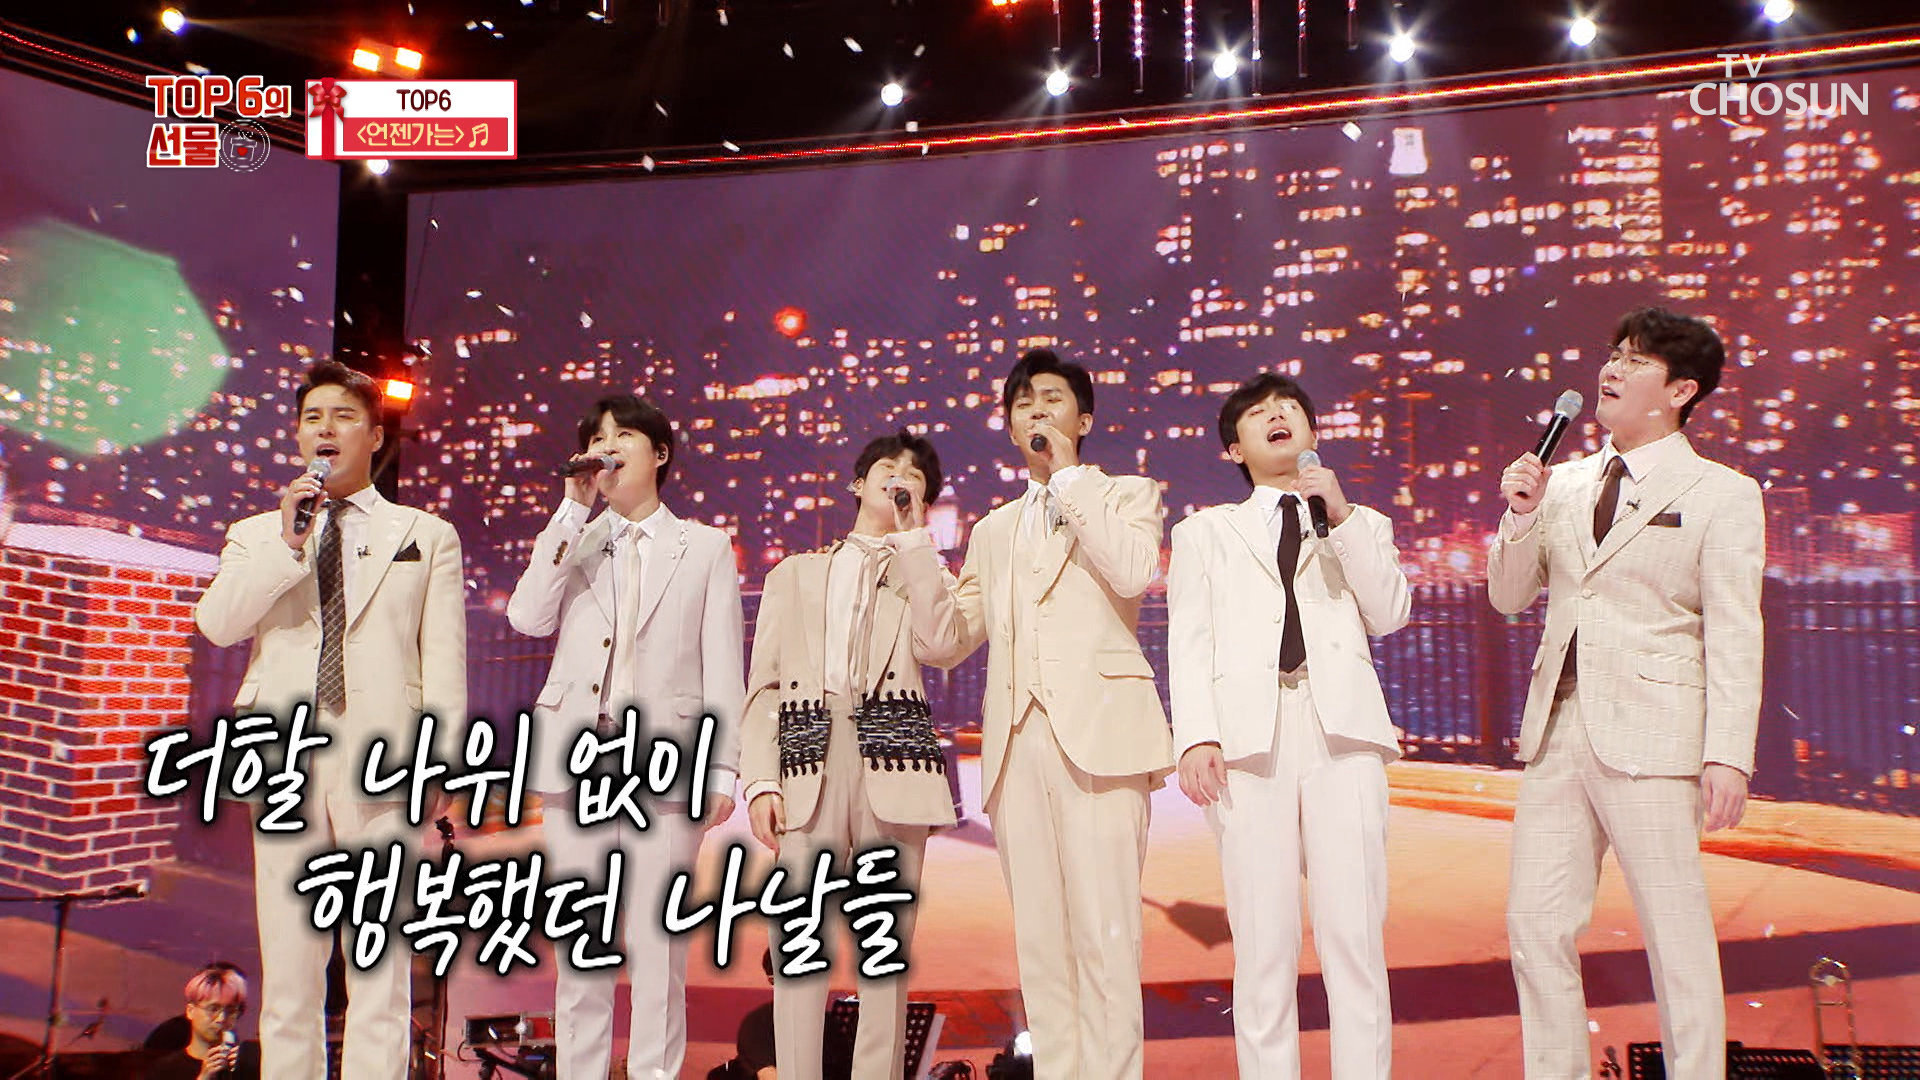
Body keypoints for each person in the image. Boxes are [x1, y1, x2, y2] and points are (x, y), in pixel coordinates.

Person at [1490, 306, 1764, 1080]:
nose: (1612, 368)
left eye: (1636, 360)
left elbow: (1736, 629)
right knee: (1534, 924)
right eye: (1614, 354)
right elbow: (1509, 597)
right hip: (1557, 727)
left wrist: (1728, 754)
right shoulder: (1563, 483)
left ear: (1680, 391)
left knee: (1675, 933)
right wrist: (1520, 515)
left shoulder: (1721, 492)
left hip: (1655, 730)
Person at [195, 360, 467, 1080]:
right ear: (297, 436)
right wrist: (290, 543)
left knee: (379, 967)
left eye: (344, 416)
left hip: (384, 758)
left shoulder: (426, 533)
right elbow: (218, 625)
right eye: (313, 417)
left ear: (375, 436)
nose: (326, 428)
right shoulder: (258, 533)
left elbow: (443, 660)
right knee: (290, 967)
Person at [921, 348, 1174, 1080]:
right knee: (1042, 945)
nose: (1037, 410)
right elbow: (945, 642)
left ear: (1083, 419)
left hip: (1103, 736)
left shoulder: (1127, 494)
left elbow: (1132, 570)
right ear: (1008, 425)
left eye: (1053, 398)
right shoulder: (993, 530)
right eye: (1023, 402)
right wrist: (911, 546)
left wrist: (1068, 477)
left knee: (1107, 937)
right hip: (1015, 746)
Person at [1167, 372, 1410, 1079]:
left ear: (1312, 433)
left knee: (1354, 936)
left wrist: (1340, 513)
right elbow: (1190, 638)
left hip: (1343, 735)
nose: (1277, 416)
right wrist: (1196, 735)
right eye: (1257, 414)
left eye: (1290, 409)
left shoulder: (1359, 523)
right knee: (1262, 943)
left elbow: (1390, 612)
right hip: (1250, 740)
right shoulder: (1205, 532)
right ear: (1234, 449)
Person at [507, 392, 743, 1080]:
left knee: (659, 952)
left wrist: (721, 771)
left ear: (660, 453)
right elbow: (527, 616)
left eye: (622, 437)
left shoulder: (704, 547)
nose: (605, 448)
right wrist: (570, 510)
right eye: (596, 438)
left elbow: (723, 664)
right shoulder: (574, 536)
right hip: (576, 762)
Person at [741, 430, 964, 1080]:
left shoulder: (927, 575)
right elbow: (764, 687)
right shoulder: (795, 574)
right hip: (809, 747)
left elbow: (941, 644)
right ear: (858, 484)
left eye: (914, 476)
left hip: (894, 751)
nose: (899, 479)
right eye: (888, 469)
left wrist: (916, 542)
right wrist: (762, 781)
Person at [143, 964, 262, 1080]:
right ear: (191, 1011)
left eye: (230, 1011)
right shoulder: (165, 1070)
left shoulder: (249, 1066)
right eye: (213, 1009)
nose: (221, 1018)